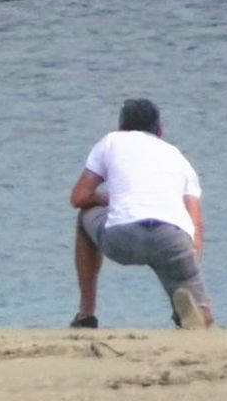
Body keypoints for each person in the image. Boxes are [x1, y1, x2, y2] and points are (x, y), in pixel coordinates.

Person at [70, 98, 211, 329]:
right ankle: (195, 315)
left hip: (122, 236)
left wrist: (102, 197)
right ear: (159, 132)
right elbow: (196, 223)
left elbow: (78, 198)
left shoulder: (111, 142)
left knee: (84, 216)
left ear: (121, 127)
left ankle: (86, 315)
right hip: (171, 238)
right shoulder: (178, 158)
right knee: (201, 307)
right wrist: (189, 263)